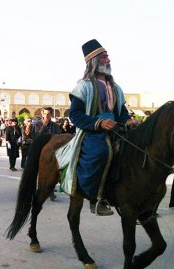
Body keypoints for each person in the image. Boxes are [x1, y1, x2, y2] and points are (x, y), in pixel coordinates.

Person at [66, 39, 136, 216]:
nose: (109, 60)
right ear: (95, 61)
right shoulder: (83, 86)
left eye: (108, 56)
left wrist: (127, 120)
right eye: (104, 57)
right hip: (93, 130)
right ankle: (94, 197)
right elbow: (74, 115)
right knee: (101, 153)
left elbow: (121, 113)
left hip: (116, 128)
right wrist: (99, 123)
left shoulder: (116, 87)